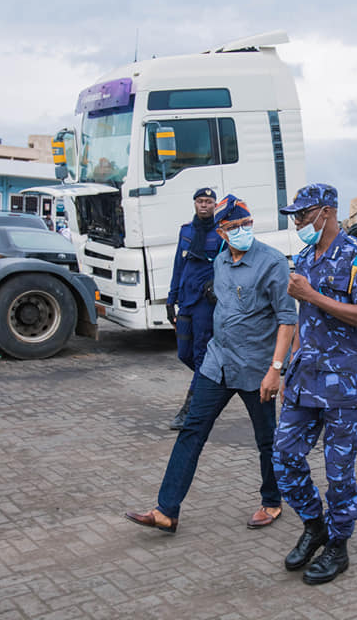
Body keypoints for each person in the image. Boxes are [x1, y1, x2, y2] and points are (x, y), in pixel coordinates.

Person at [125, 195, 297, 534]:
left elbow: (287, 319)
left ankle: (272, 501)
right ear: (221, 232)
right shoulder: (219, 262)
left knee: (267, 440)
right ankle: (166, 510)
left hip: (256, 369)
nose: (243, 231)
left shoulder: (273, 262)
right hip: (217, 364)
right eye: (234, 227)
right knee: (192, 431)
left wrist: (276, 369)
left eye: (247, 224)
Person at [273, 183, 357, 585]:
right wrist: (288, 370)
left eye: (302, 215)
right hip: (306, 379)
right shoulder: (304, 256)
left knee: (339, 473)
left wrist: (313, 295)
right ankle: (314, 525)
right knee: (283, 457)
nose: (297, 223)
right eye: (295, 216)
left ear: (326, 212)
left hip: (345, 384)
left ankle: (338, 545)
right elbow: (304, 320)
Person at [166, 188, 223, 430]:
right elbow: (179, 265)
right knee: (184, 353)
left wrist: (217, 283)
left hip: (205, 304)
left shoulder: (221, 233)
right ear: (195, 204)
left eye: (208, 202)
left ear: (214, 205)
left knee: (201, 355)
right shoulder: (186, 231)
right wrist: (171, 299)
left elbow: (230, 264)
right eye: (200, 201)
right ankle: (212, 380)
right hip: (186, 300)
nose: (204, 206)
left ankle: (189, 410)